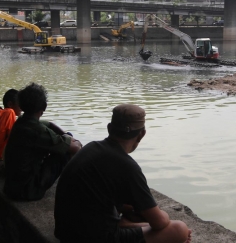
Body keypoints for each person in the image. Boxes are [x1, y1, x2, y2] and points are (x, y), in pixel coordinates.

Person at [54, 104, 191, 243]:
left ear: (109, 128)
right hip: (93, 238)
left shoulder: (91, 147)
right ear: (142, 134)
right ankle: (124, 225)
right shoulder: (128, 166)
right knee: (179, 230)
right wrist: (165, 215)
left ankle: (125, 224)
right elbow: (160, 223)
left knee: (134, 209)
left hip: (66, 233)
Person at [3, 83, 82, 201]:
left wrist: (64, 135)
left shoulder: (20, 122)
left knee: (65, 141)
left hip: (11, 186)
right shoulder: (38, 131)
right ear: (44, 107)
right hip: (27, 191)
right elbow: (76, 148)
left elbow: (49, 124)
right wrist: (70, 139)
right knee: (65, 151)